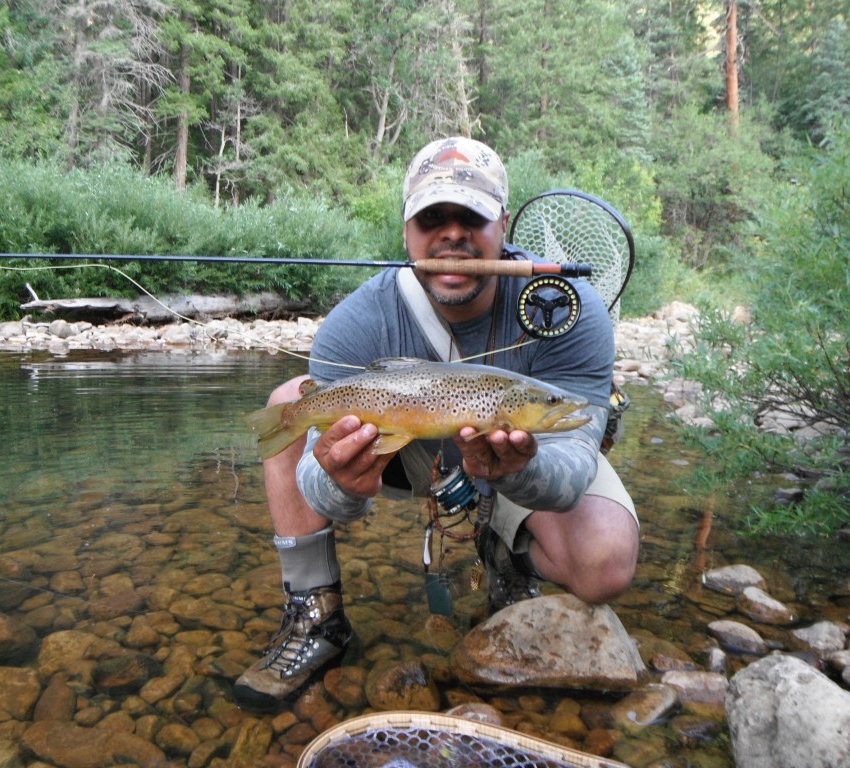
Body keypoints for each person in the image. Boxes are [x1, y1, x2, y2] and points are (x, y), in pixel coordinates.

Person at [233, 136, 640, 713]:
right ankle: (313, 615)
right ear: (407, 233)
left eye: (471, 217)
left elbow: (574, 460)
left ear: (502, 224)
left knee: (605, 563)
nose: (452, 234)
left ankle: (504, 552)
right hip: (403, 455)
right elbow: (320, 492)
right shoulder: (357, 322)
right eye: (432, 218)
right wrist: (341, 485)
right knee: (292, 398)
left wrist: (524, 470)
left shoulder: (566, 308)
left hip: (521, 462)